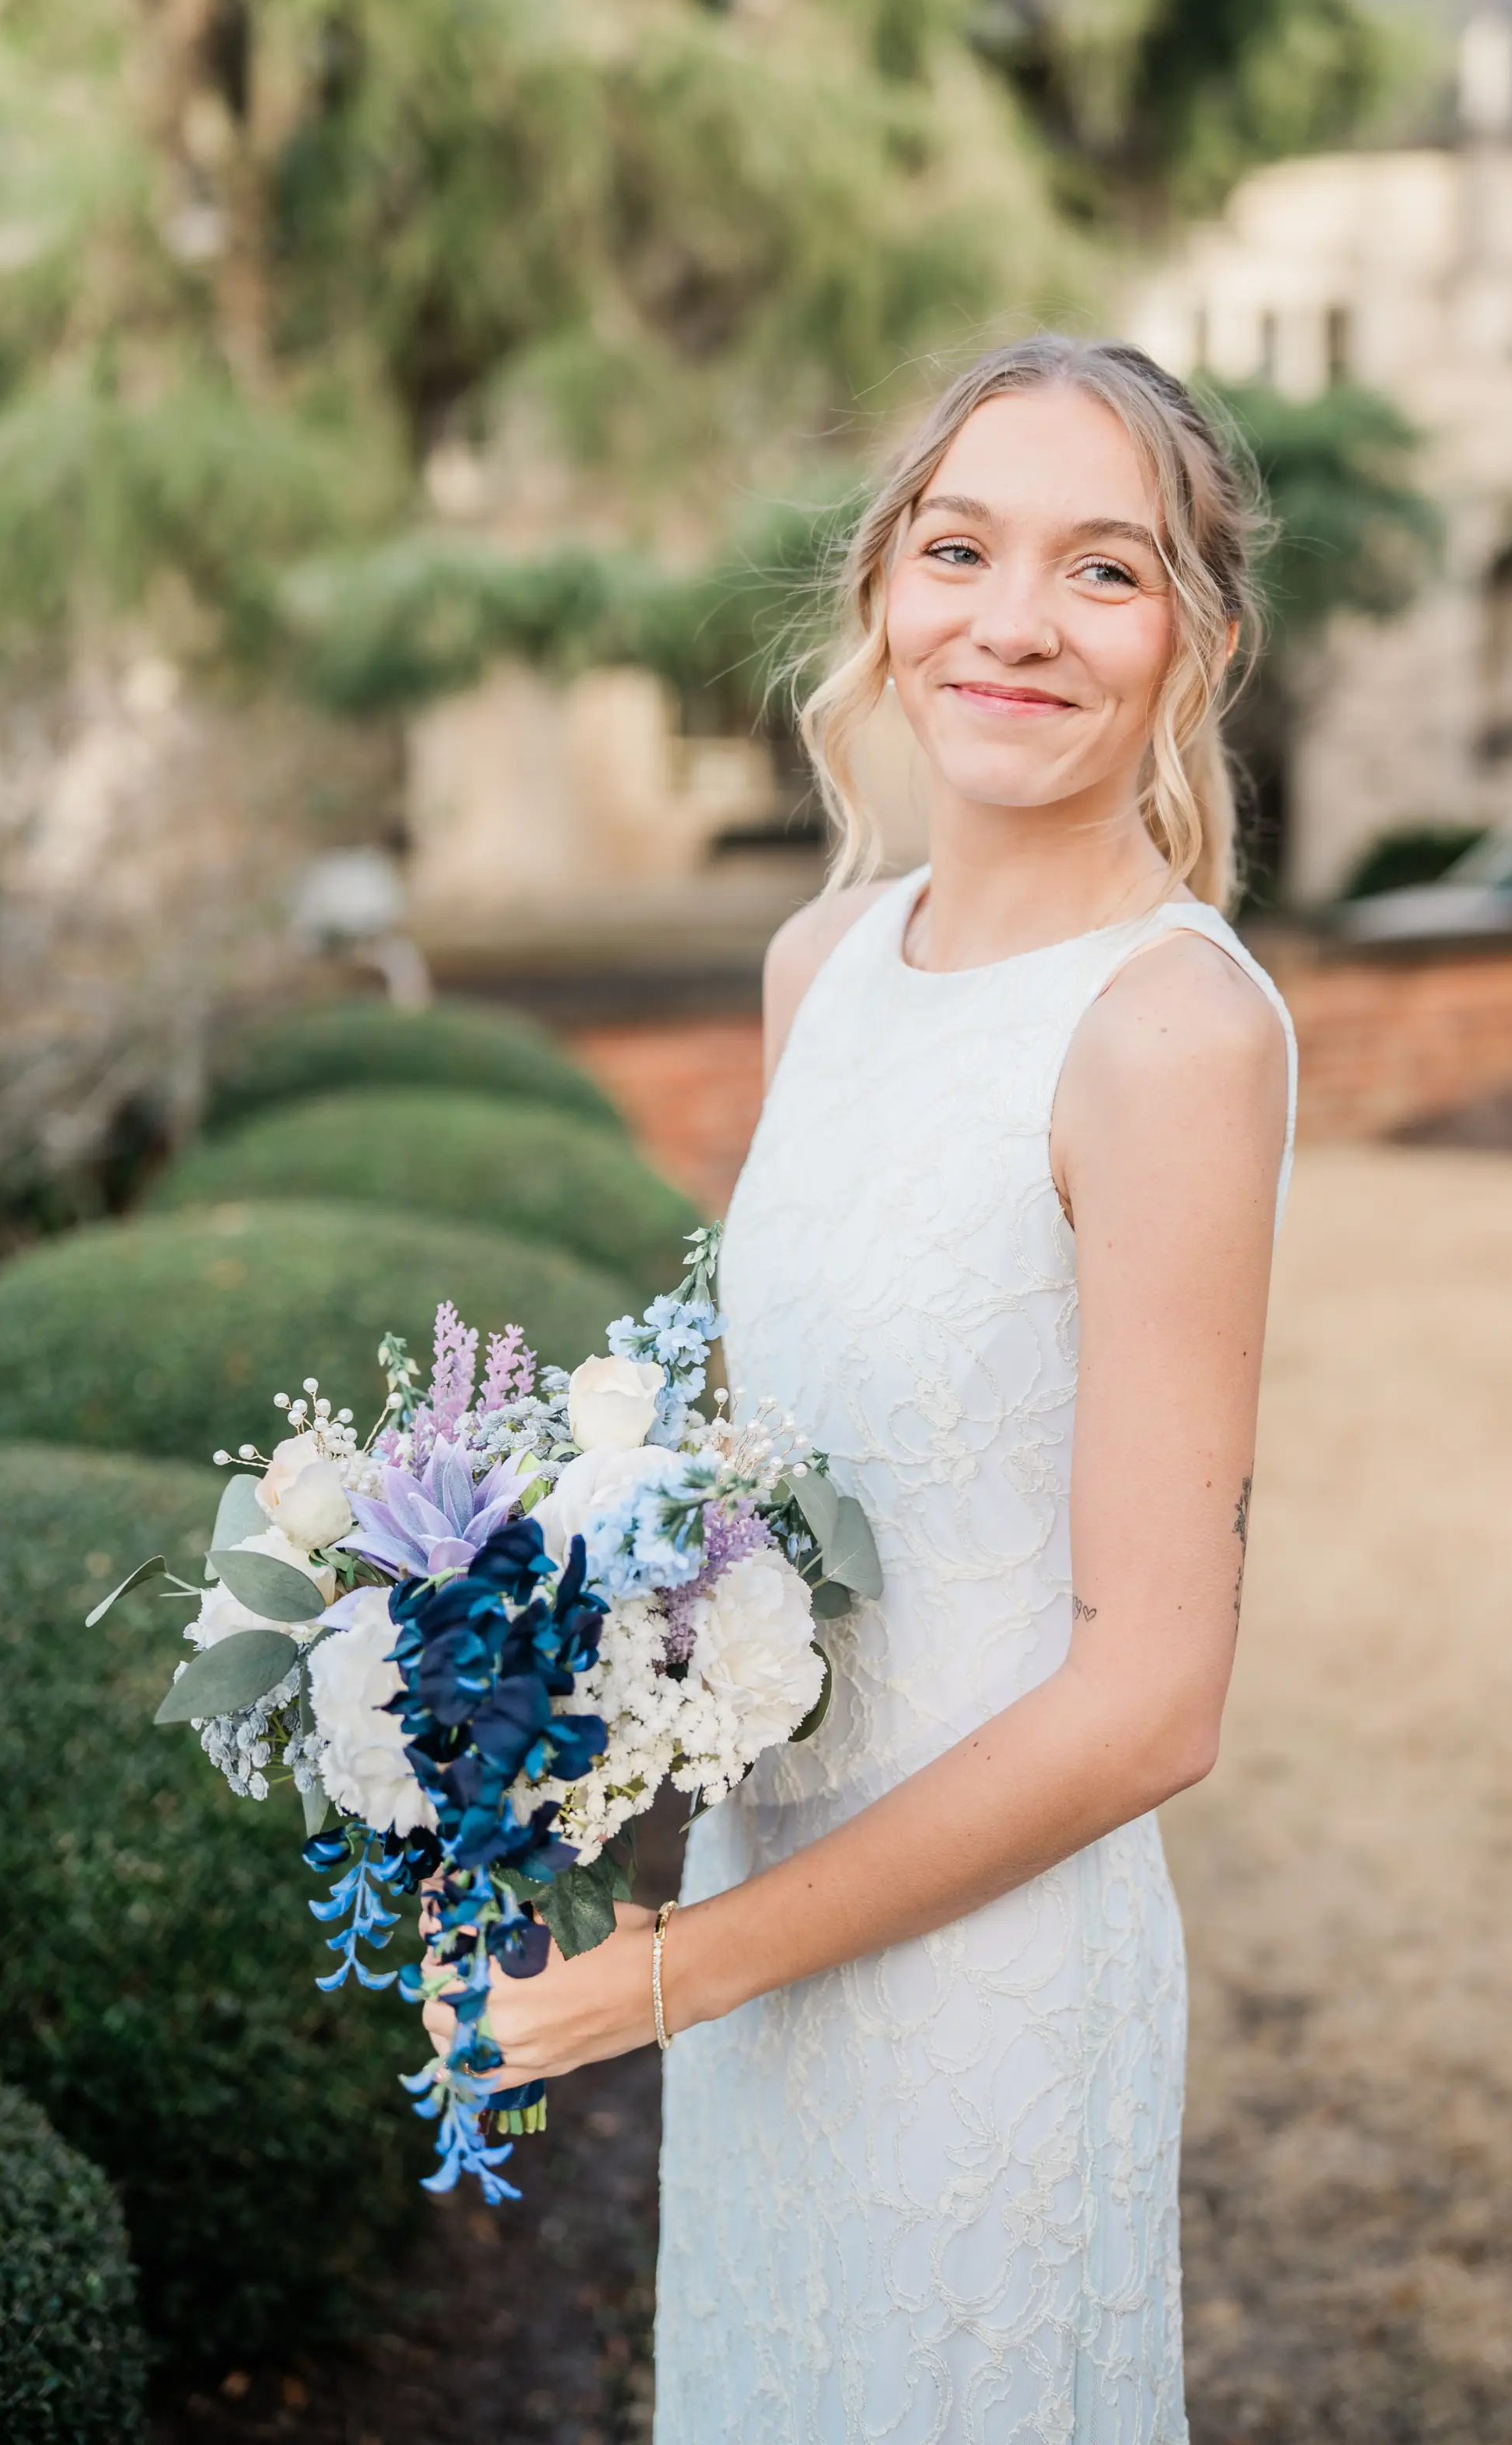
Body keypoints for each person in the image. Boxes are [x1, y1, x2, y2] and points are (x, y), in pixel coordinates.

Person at [478, 336, 1297, 2441]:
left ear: (1195, 637)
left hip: (987, 2002)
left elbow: (1153, 1701)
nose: (1013, 621)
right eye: (962, 549)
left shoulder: (1172, 1034)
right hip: (769, 1939)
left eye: (1102, 572)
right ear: (883, 590)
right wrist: (519, 1705)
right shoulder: (818, 966)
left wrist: (668, 1976)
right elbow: (772, 1519)